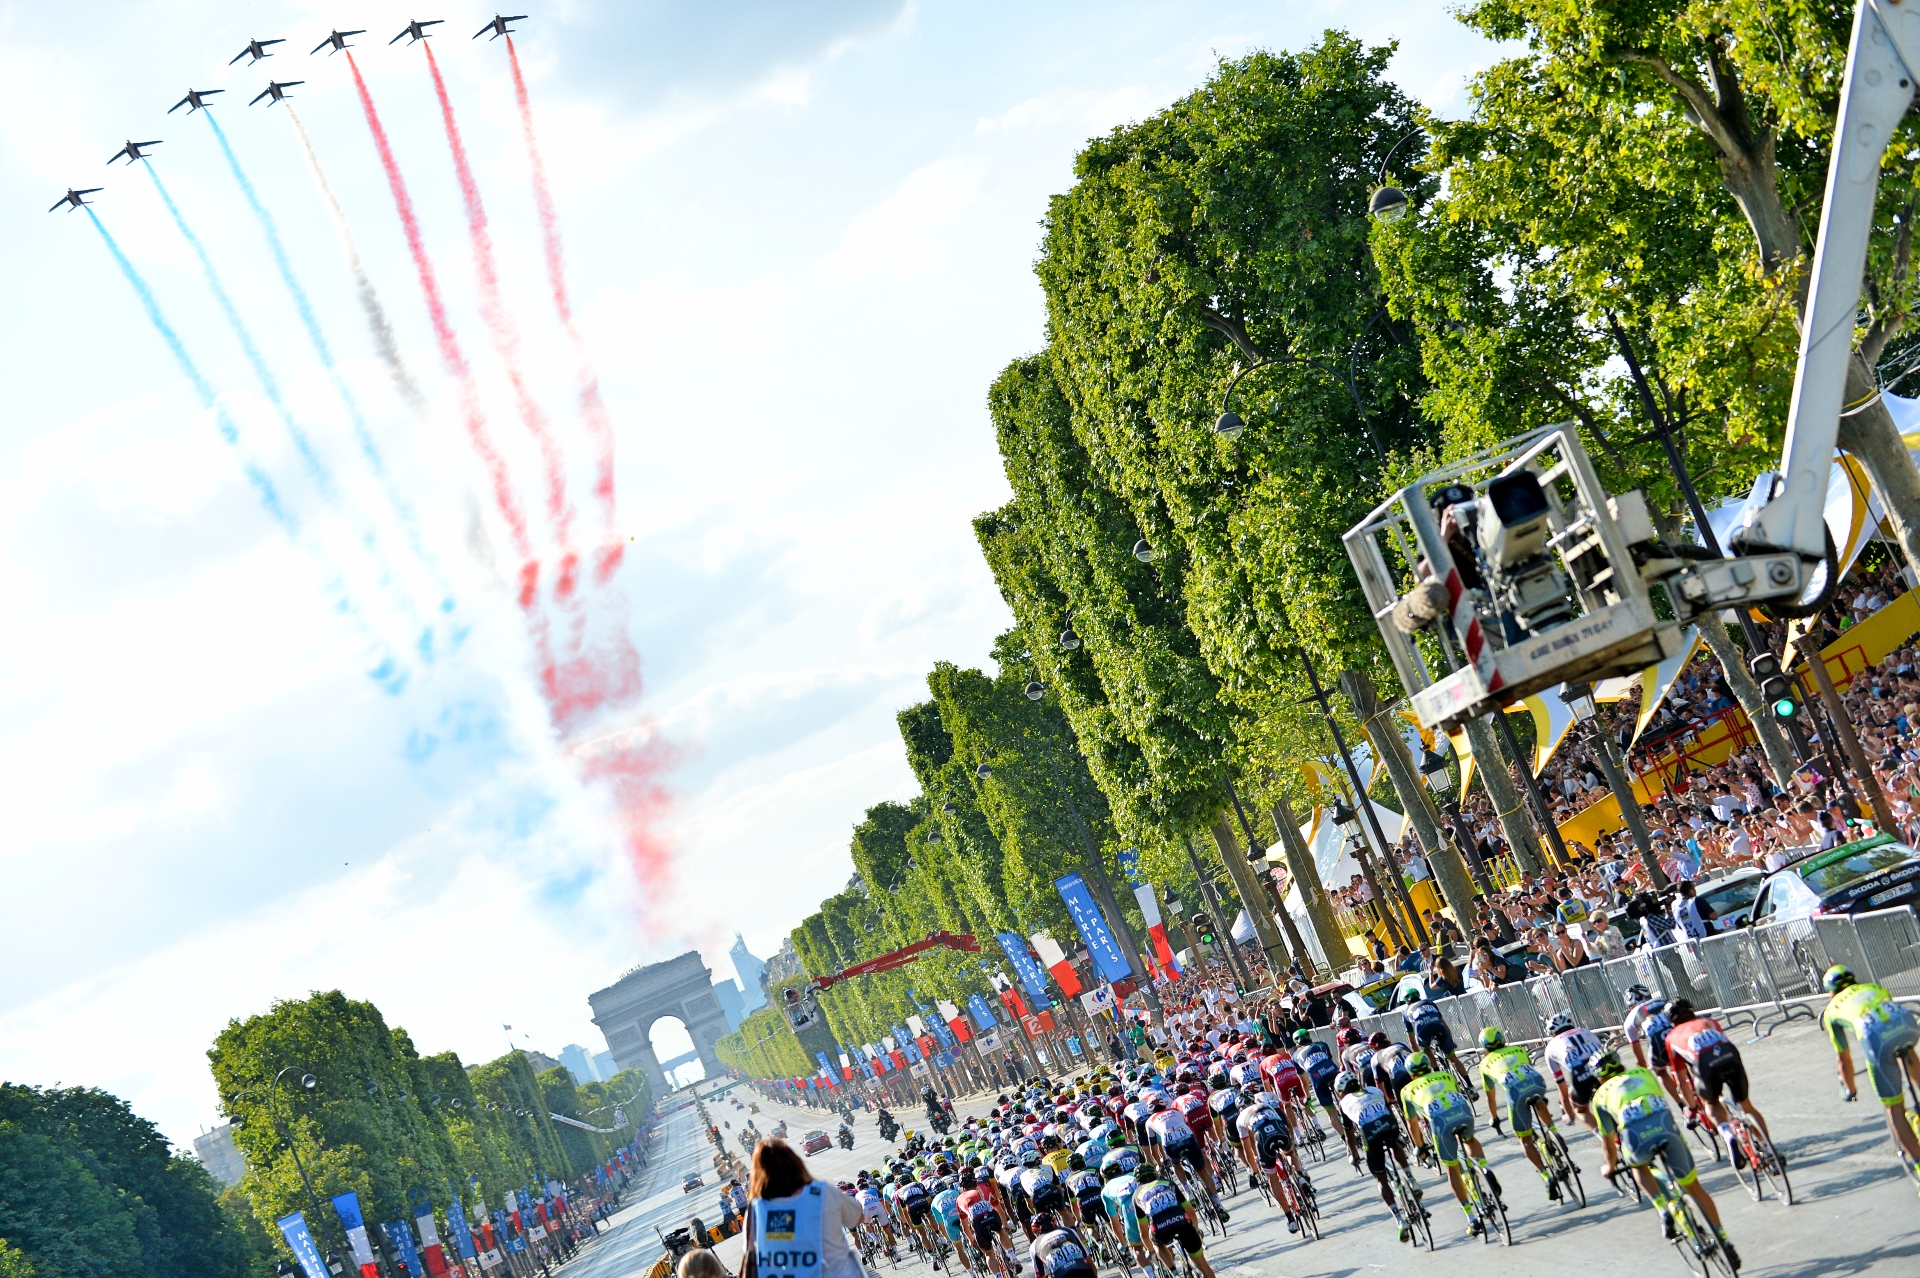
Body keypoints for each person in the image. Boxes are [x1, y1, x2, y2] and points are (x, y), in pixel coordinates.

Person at [1590, 1052, 1739, 1267]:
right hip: (1665, 1126)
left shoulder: (1599, 1096)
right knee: (1693, 1187)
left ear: (1599, 1078)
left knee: (1637, 1165)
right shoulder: (1643, 1072)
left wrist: (1610, 1166)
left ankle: (1662, 1208)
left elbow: (1608, 1141)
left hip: (1636, 1137)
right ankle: (1724, 1239)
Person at [1822, 964, 1920, 1176]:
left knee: (1894, 1109)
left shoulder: (1831, 1010)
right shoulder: (1874, 987)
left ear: (1830, 992)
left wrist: (1850, 1089)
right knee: (1907, 1050)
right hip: (1908, 1025)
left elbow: (1844, 1059)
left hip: (1877, 1040)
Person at [1399, 1053, 1501, 1236]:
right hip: (1463, 1112)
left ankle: (1471, 1218)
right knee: (1469, 1139)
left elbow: (1412, 1124)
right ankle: (1484, 1167)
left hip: (1441, 1123)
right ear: (1429, 1066)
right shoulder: (1446, 1075)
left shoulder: (1407, 1090)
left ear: (1411, 1074)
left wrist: (1420, 1147)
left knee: (1451, 1168)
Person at [1661, 998, 1773, 1164]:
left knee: (1711, 1104)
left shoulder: (1671, 1038)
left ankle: (1727, 1133)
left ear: (1672, 1021)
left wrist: (1692, 1108)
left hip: (1706, 1065)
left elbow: (1682, 1081)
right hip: (1730, 1056)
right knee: (1746, 1105)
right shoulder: (1709, 1022)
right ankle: (1768, 1148)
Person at [740, 1139, 868, 1278]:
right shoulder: (822, 1192)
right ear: (795, 1163)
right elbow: (857, 1217)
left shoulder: (756, 1209)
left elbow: (750, 1252)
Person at [1476, 1027, 1561, 1201]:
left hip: (1516, 1094)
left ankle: (1546, 1176)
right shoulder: (1519, 1049)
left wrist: (1494, 1117)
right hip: (1537, 1083)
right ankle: (1554, 1132)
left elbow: (1490, 1096)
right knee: (1538, 1099)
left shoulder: (1484, 1064)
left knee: (1524, 1139)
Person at [1335, 1071, 1416, 1241]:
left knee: (1381, 1179)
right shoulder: (1374, 1090)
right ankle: (1411, 1178)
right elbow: (1388, 1112)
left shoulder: (1344, 1103)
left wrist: (1354, 1155)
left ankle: (1399, 1220)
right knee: (1394, 1143)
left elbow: (1349, 1134)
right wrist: (1398, 1135)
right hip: (1389, 1125)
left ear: (1341, 1091)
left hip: (1370, 1134)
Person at [1128, 1165, 1216, 1278]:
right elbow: (1191, 1212)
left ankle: (1174, 1273)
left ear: (1138, 1182)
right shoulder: (1168, 1183)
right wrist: (1196, 1230)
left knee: (1157, 1244)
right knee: (1203, 1265)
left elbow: (1143, 1233)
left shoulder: (1136, 1195)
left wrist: (1151, 1251)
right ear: (1155, 1174)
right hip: (1182, 1221)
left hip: (1160, 1227)